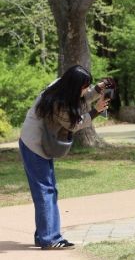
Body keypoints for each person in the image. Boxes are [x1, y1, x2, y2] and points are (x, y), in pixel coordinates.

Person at [19, 65, 114, 250]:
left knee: (49, 190)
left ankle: (44, 235)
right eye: (85, 86)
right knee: (46, 191)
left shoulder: (61, 88)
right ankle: (50, 239)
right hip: (33, 145)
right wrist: (96, 111)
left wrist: (99, 88)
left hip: (40, 143)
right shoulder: (58, 103)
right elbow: (74, 124)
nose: (87, 89)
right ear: (75, 86)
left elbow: (81, 98)